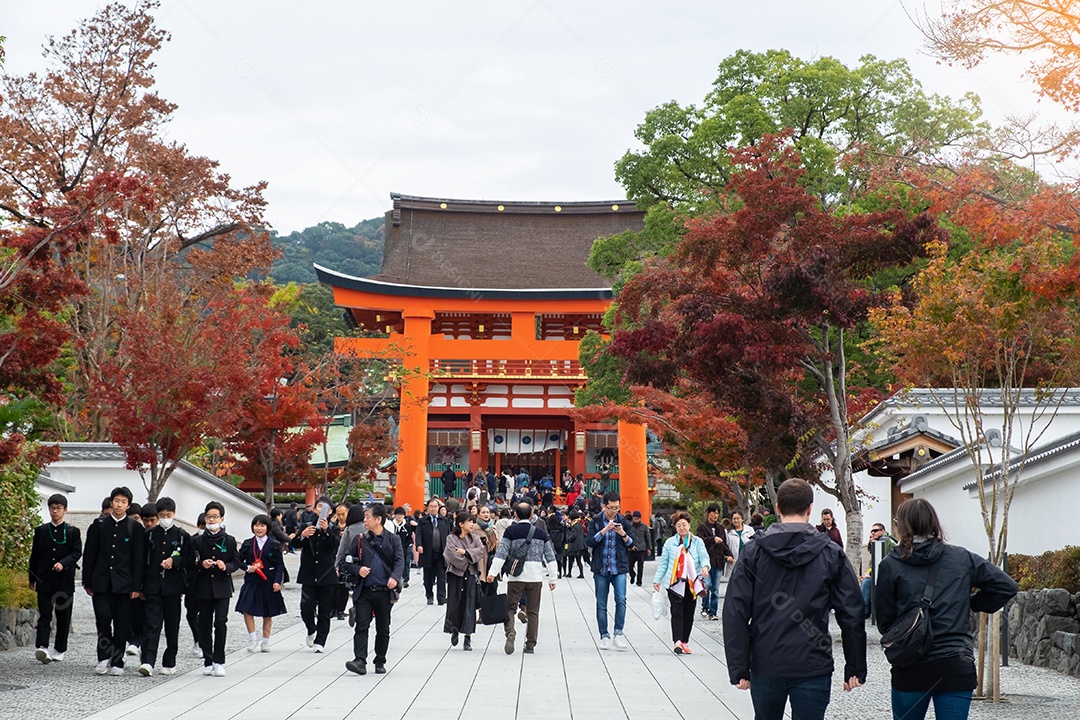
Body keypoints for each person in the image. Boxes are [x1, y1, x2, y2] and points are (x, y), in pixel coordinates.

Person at [722, 478, 866, 720]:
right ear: (810, 509)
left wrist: (739, 666)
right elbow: (851, 611)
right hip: (813, 660)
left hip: (766, 660)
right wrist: (854, 665)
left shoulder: (754, 552)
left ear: (777, 508)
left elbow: (735, 610)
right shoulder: (830, 553)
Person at [876, 498, 1018, 720]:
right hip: (955, 662)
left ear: (902, 525)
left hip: (911, 665)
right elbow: (1006, 586)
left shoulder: (891, 565)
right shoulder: (962, 558)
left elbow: (885, 622)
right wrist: (971, 603)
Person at [83, 486, 145, 676]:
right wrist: (87, 581)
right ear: (111, 502)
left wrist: (137, 586)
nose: (119, 504)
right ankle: (103, 656)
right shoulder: (99, 526)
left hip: (124, 584)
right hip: (101, 581)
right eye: (117, 501)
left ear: (128, 505)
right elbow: (90, 554)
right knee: (102, 618)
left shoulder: (135, 528)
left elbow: (138, 559)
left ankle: (118, 660)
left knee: (121, 623)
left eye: (123, 502)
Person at [339, 503, 404, 676]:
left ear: (378, 519)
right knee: (361, 625)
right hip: (364, 590)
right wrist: (357, 569)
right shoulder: (359, 539)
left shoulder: (393, 539)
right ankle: (360, 660)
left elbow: (400, 561)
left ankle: (380, 660)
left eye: (368, 517)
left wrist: (394, 577)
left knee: (383, 627)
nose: (365, 520)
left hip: (384, 591)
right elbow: (346, 561)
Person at [486, 502, 557, 655]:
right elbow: (550, 557)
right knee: (533, 611)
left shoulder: (511, 531)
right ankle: (530, 644)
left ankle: (510, 632)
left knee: (510, 608)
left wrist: (492, 573)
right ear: (531, 514)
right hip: (535, 577)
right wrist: (553, 578)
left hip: (515, 577)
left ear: (515, 515)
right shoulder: (540, 533)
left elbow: (502, 553)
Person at [138, 497, 190, 677]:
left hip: (173, 588)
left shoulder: (182, 535)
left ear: (174, 514)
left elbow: (188, 560)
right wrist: (141, 586)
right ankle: (147, 660)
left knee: (172, 625)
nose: (165, 518)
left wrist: (174, 561)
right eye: (162, 515)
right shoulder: (149, 535)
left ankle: (169, 660)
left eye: (168, 515)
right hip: (152, 586)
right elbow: (141, 562)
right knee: (151, 624)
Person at [29, 493, 82, 665]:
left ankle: (59, 649)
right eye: (52, 508)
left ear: (65, 510)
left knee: (63, 615)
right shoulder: (41, 530)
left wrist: (63, 563)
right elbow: (35, 555)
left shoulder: (73, 531)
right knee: (44, 613)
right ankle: (42, 646)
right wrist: (32, 577)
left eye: (58, 508)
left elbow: (76, 552)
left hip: (64, 580)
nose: (55, 512)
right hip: (44, 579)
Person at [191, 501, 240, 677]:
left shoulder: (229, 540)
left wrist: (225, 566)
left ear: (222, 518)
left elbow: (236, 562)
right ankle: (208, 660)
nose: (212, 519)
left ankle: (219, 661)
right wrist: (200, 564)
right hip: (203, 587)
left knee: (220, 622)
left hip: (222, 587)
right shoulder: (197, 540)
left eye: (215, 516)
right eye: (209, 516)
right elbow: (190, 562)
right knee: (204, 624)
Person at [653, 511, 710, 654]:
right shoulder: (670, 543)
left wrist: (704, 567)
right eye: (679, 525)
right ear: (675, 527)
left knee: (689, 613)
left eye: (684, 525)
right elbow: (664, 563)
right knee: (677, 612)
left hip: (691, 583)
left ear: (689, 525)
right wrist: (657, 579)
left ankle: (685, 641)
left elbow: (704, 556)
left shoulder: (697, 542)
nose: (682, 528)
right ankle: (677, 641)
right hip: (674, 583)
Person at [585, 491, 635, 650]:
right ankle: (604, 635)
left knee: (621, 600)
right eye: (611, 508)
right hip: (601, 568)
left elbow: (631, 543)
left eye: (617, 508)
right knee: (601, 603)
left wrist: (623, 534)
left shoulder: (623, 521)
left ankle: (618, 633)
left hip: (618, 567)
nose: (614, 511)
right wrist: (604, 530)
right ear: (603, 506)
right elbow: (590, 542)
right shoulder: (596, 521)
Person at [291, 496, 341, 652]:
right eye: (319, 506)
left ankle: (320, 641)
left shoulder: (334, 529)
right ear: (314, 509)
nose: (321, 510)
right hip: (308, 573)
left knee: (325, 611)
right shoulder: (306, 525)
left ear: (330, 511)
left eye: (325, 508)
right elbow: (294, 544)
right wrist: (303, 535)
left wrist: (326, 532)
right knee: (306, 607)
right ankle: (311, 629)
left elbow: (336, 546)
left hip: (326, 574)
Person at [235, 514, 286, 654]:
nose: (259, 528)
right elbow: (238, 560)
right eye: (256, 525)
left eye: (262, 525)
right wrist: (247, 567)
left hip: (268, 581)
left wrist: (277, 581)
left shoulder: (274, 545)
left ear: (267, 527)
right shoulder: (247, 543)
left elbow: (279, 565)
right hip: (251, 581)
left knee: (267, 613)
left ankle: (265, 641)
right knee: (246, 609)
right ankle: (253, 638)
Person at [444, 510, 485, 651]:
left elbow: (480, 551)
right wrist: (467, 559)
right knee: (455, 603)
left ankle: (468, 638)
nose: (472, 524)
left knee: (469, 606)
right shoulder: (451, 538)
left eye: (473, 521)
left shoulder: (475, 538)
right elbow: (450, 554)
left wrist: (466, 553)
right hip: (456, 574)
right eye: (470, 521)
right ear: (461, 524)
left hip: (471, 575)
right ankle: (454, 629)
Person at [696, 503, 733, 620]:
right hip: (706, 563)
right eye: (713, 512)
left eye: (717, 513)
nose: (715, 515)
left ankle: (713, 611)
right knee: (707, 585)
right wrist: (713, 539)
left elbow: (724, 543)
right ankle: (705, 607)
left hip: (718, 562)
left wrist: (729, 555)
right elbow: (700, 541)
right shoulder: (702, 527)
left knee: (716, 589)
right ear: (708, 513)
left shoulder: (720, 528)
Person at [416, 497, 451, 605]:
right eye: (431, 506)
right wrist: (419, 545)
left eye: (435, 506)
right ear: (427, 508)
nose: (433, 508)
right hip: (427, 552)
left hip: (441, 553)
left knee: (441, 576)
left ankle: (441, 597)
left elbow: (449, 535)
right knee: (428, 576)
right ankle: (429, 595)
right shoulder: (422, 521)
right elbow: (418, 534)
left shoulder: (444, 520)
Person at [860, 522, 897, 618]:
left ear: (882, 531)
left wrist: (871, 574)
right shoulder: (879, 542)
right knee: (865, 580)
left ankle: (864, 611)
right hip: (882, 574)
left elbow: (881, 562)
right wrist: (868, 572)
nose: (873, 533)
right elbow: (873, 563)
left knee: (867, 582)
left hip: (888, 575)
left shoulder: (885, 541)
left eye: (875, 531)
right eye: (871, 531)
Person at [184, 512, 205, 658]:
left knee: (206, 614)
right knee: (191, 613)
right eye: (202, 526)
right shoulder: (190, 541)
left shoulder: (218, 540)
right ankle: (198, 639)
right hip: (191, 583)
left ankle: (203, 641)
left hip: (207, 583)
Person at [332, 502, 351, 621]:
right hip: (334, 558)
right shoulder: (332, 527)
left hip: (346, 560)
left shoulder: (351, 528)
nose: (341, 516)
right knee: (333, 587)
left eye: (343, 514)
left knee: (344, 586)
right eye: (338, 514)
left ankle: (340, 609)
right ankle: (332, 609)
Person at [627, 510, 653, 586]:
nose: (636, 520)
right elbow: (626, 537)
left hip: (641, 548)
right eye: (635, 518)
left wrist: (649, 548)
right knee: (629, 565)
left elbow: (648, 537)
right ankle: (632, 575)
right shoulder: (629, 526)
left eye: (637, 519)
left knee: (640, 566)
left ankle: (639, 581)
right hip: (631, 549)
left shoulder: (644, 526)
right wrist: (629, 546)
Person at [392, 506, 415, 588]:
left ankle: (405, 579)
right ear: (394, 515)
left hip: (405, 547)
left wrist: (407, 544)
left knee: (406, 562)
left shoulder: (407, 526)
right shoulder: (391, 525)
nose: (399, 516)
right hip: (394, 548)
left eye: (401, 515)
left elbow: (409, 537)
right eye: (398, 514)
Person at [564, 511, 586, 578]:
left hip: (574, 545)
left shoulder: (574, 526)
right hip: (580, 545)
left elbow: (574, 535)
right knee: (578, 560)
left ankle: (569, 573)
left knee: (571, 560)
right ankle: (581, 573)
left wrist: (569, 539)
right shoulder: (579, 525)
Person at [546, 511, 567, 579]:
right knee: (559, 559)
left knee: (551, 560)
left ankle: (552, 572)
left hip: (551, 545)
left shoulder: (549, 528)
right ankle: (560, 572)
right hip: (559, 544)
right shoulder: (561, 528)